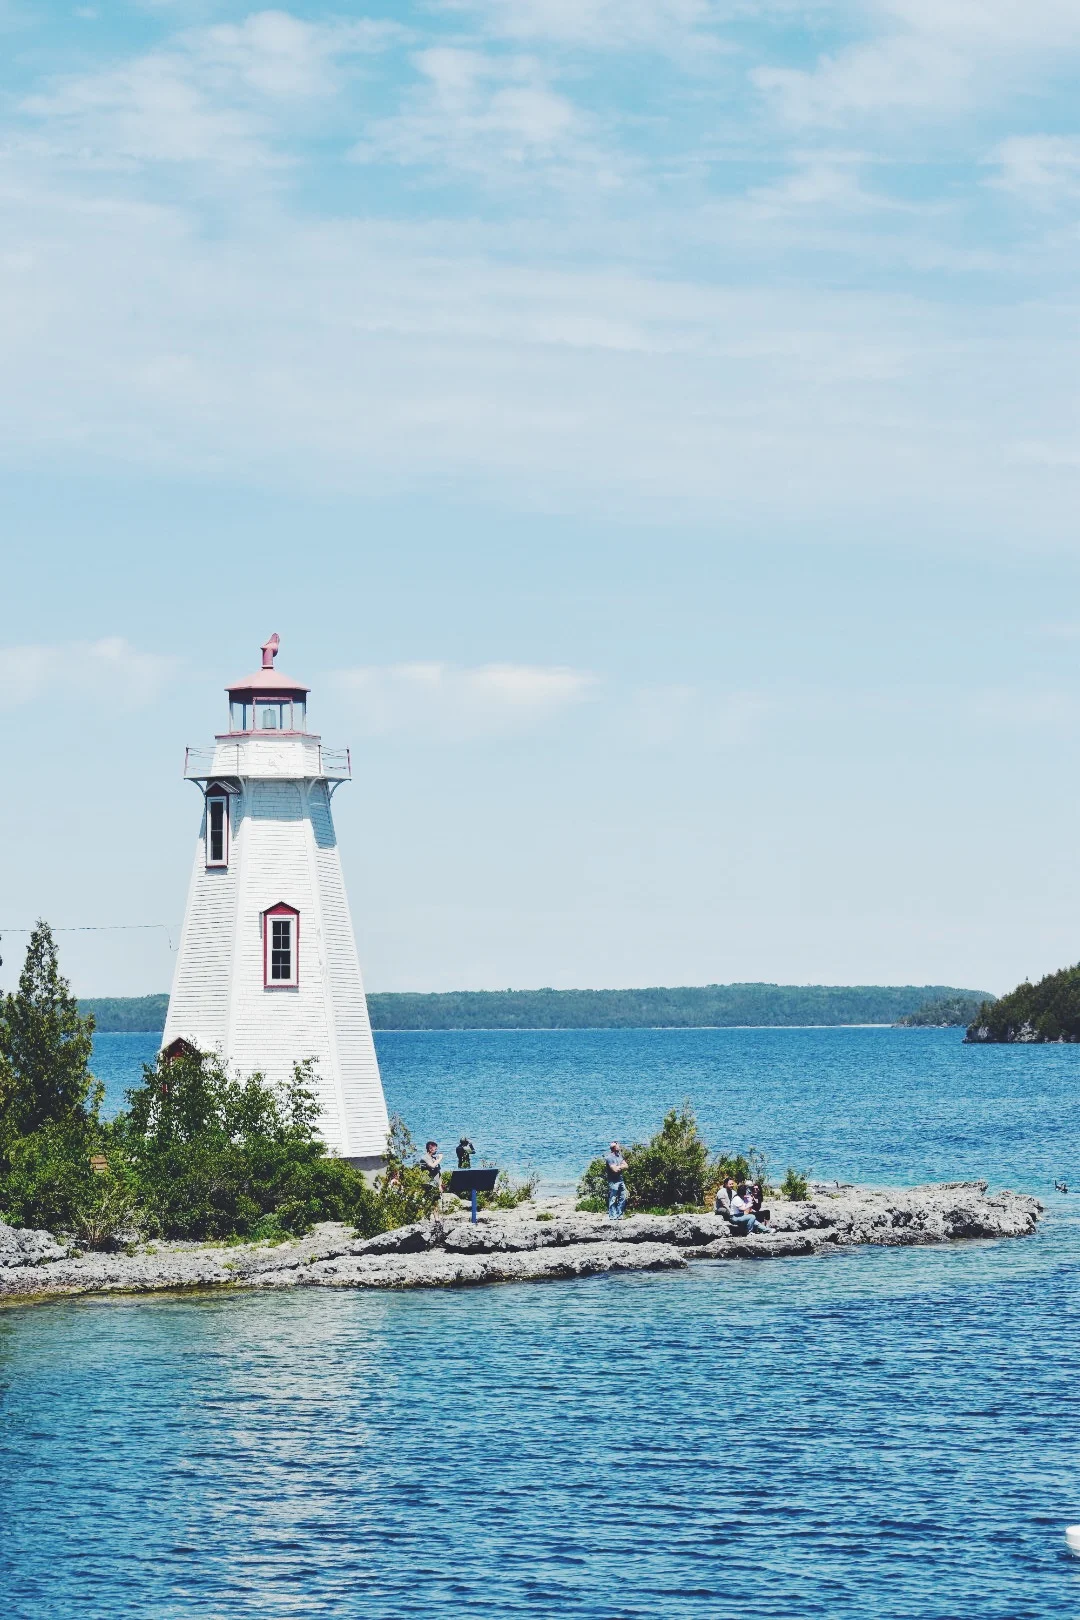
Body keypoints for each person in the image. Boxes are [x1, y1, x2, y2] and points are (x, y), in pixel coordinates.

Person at [605, 1141, 629, 1221]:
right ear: (614, 1147)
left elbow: (626, 1166)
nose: (619, 1146)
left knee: (623, 1197)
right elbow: (614, 1169)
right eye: (618, 1145)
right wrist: (621, 1166)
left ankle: (619, 1214)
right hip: (613, 1181)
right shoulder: (609, 1158)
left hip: (620, 1180)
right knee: (613, 1198)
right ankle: (612, 1216)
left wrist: (619, 1167)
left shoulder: (619, 1156)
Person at [420, 1140, 442, 1216]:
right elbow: (432, 1165)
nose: (436, 1150)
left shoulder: (434, 1158)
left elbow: (438, 1173)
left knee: (436, 1202)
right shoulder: (424, 1158)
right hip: (428, 1183)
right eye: (435, 1149)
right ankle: (425, 1216)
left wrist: (440, 1185)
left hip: (435, 1184)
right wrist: (439, 1159)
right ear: (430, 1149)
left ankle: (437, 1219)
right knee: (429, 1201)